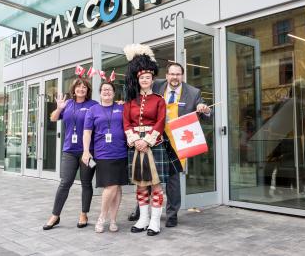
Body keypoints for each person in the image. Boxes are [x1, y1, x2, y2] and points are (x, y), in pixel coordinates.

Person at [128, 62, 211, 228]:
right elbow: (138, 87)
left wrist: (205, 109)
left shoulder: (193, 93)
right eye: (172, 74)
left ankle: (172, 214)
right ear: (166, 76)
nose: (174, 77)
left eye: (178, 74)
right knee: (147, 175)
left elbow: (207, 112)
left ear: (182, 76)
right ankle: (141, 212)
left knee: (173, 179)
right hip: (154, 138)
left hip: (176, 141)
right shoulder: (156, 84)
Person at [123, 44, 167, 236]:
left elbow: (160, 122)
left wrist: (147, 141)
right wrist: (134, 140)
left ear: (152, 79)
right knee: (141, 184)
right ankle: (143, 219)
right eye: (142, 78)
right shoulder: (130, 102)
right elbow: (126, 122)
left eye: (148, 77)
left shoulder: (159, 100)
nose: (145, 80)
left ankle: (155, 221)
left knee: (156, 185)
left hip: (153, 144)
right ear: (138, 79)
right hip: (135, 145)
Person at [43, 77, 97, 230]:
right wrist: (59, 108)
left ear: (88, 90)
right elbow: (53, 118)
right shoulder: (67, 104)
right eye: (78, 87)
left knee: (86, 183)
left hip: (88, 152)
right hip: (69, 151)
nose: (81, 89)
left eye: (84, 87)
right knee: (65, 183)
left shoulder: (93, 105)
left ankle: (83, 214)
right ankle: (55, 215)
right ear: (73, 89)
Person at [82, 81, 128, 233]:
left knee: (118, 187)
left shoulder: (121, 108)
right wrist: (86, 151)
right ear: (100, 93)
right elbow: (87, 132)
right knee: (111, 186)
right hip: (103, 154)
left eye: (110, 89)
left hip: (121, 153)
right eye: (104, 89)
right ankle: (102, 217)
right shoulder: (93, 110)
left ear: (114, 93)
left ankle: (113, 219)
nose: (107, 92)